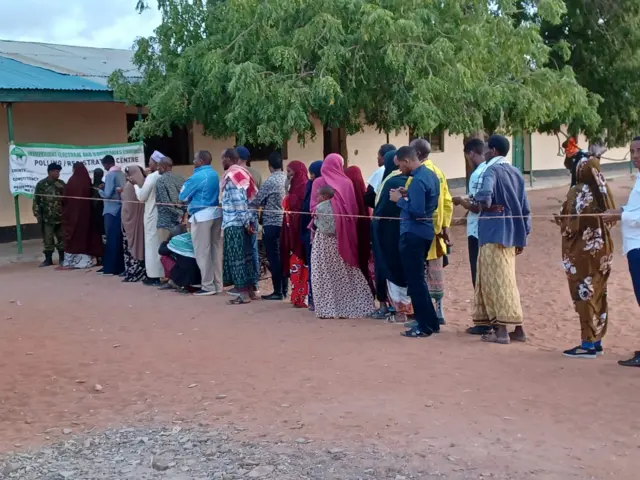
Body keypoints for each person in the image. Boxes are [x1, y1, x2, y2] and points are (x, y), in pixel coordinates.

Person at [469, 135, 531, 344]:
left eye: (487, 148)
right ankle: (518, 330)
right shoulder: (515, 172)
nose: (484, 152)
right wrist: (523, 235)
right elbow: (525, 207)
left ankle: (502, 331)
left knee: (495, 281)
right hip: (512, 232)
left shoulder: (491, 170)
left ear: (493, 150)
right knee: (508, 279)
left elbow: (485, 198)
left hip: (493, 231)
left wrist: (470, 200)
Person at [556, 146, 615, 358]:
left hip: (582, 254)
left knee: (583, 293)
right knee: (598, 293)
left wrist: (560, 219)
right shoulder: (602, 190)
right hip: (602, 251)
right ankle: (596, 340)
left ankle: (587, 344)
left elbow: (570, 225)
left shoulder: (578, 191)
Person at [310, 154, 374, 318]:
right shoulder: (347, 183)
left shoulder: (318, 182)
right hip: (343, 236)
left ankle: (327, 309)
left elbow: (312, 209)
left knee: (324, 273)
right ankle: (353, 307)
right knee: (346, 271)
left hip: (323, 237)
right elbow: (352, 210)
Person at [389, 146, 441, 338]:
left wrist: (399, 200)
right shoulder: (429, 175)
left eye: (401, 165)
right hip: (424, 232)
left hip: (414, 233)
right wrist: (407, 194)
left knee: (415, 281)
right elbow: (428, 203)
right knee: (418, 280)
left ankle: (424, 325)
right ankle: (431, 321)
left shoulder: (418, 180)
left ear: (408, 161)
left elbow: (418, 211)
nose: (400, 169)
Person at [603, 137, 640, 366]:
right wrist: (621, 210)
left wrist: (620, 216)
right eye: (632, 151)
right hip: (633, 246)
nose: (635, 155)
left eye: (639, 151)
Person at [410, 138, 453, 325]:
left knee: (420, 273)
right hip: (437, 232)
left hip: (422, 229)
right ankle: (439, 311)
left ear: (417, 154)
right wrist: (445, 227)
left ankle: (425, 314)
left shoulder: (419, 174)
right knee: (436, 273)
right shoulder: (440, 173)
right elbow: (447, 202)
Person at [453, 138, 493, 335]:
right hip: (489, 230)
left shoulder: (479, 173)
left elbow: (477, 205)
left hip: (477, 230)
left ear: (470, 153)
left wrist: (462, 201)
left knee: (478, 275)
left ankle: (484, 321)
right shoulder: (491, 170)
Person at [370, 148, 413, 321]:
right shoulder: (413, 179)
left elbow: (381, 209)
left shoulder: (390, 182)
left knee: (392, 267)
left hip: (389, 232)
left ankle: (399, 311)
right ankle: (412, 309)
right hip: (410, 230)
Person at [179, 150, 223, 296]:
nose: (193, 162)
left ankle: (208, 286)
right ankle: (218, 284)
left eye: (195, 159)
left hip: (201, 215)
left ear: (202, 161)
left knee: (202, 252)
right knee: (216, 251)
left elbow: (182, 196)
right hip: (216, 214)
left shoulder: (196, 176)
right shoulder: (214, 174)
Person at [221, 148, 259, 304]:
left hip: (235, 222)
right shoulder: (244, 173)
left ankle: (242, 294)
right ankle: (250, 291)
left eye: (222, 159)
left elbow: (239, 202)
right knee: (247, 257)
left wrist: (245, 222)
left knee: (237, 258)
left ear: (229, 159)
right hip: (246, 220)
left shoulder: (232, 176)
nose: (221, 162)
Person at [58, 162, 103, 270]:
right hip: (86, 217)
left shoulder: (71, 182)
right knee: (85, 237)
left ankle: (71, 262)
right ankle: (85, 261)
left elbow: (64, 199)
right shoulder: (87, 182)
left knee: (73, 237)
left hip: (72, 217)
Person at [281, 160, 310, 307]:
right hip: (292, 228)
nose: (289, 175)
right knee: (295, 262)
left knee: (302, 262)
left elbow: (300, 208)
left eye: (290, 171)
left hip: (301, 229)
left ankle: (302, 297)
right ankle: (296, 296)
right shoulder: (293, 187)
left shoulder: (304, 185)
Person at [133, 155, 164, 286]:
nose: (148, 163)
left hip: (152, 214)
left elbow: (141, 196)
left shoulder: (152, 177)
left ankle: (153, 276)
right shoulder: (163, 176)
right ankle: (163, 273)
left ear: (156, 163)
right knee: (161, 244)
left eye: (150, 161)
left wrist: (135, 185)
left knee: (151, 246)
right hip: (163, 215)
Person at [345, 165, 375, 294]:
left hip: (352, 230)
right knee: (364, 259)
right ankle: (368, 290)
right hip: (365, 229)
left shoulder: (346, 193)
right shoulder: (365, 192)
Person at [236, 145, 261, 290]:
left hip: (241, 216)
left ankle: (244, 283)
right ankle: (255, 282)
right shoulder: (256, 173)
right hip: (253, 215)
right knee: (253, 249)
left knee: (242, 250)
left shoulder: (236, 173)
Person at [33, 162, 65, 267]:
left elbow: (67, 200)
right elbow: (36, 201)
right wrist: (37, 215)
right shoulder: (41, 184)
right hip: (47, 217)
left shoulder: (62, 184)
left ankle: (62, 259)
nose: (58, 174)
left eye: (59, 172)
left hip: (60, 217)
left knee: (62, 239)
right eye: (56, 172)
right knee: (48, 240)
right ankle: (48, 259)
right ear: (50, 172)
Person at [300, 160, 323, 310]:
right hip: (311, 231)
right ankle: (314, 300)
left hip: (317, 232)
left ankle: (317, 300)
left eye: (312, 174)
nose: (311, 177)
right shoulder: (311, 185)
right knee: (314, 265)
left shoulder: (317, 185)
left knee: (316, 266)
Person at [98, 155, 125, 276]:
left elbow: (108, 194)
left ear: (107, 164)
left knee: (110, 239)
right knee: (118, 239)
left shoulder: (109, 174)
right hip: (120, 208)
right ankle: (119, 266)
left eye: (104, 165)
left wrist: (99, 191)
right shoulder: (121, 173)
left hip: (110, 210)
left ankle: (110, 266)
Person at [120, 166, 147, 283]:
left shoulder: (129, 186)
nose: (127, 176)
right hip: (141, 221)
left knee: (131, 248)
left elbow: (127, 207)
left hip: (130, 223)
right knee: (141, 246)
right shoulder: (143, 184)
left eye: (128, 173)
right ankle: (141, 273)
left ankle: (133, 273)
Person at [158, 225, 202, 293]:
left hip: (187, 283)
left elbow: (161, 251)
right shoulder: (191, 238)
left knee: (164, 258)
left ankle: (173, 281)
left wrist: (166, 241)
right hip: (199, 280)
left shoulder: (176, 241)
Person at [155, 157, 186, 244]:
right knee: (178, 251)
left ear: (164, 167)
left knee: (164, 252)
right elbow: (186, 198)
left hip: (165, 223)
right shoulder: (181, 179)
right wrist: (182, 214)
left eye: (159, 166)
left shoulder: (160, 181)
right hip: (180, 223)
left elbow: (165, 203)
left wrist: (179, 213)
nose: (157, 168)